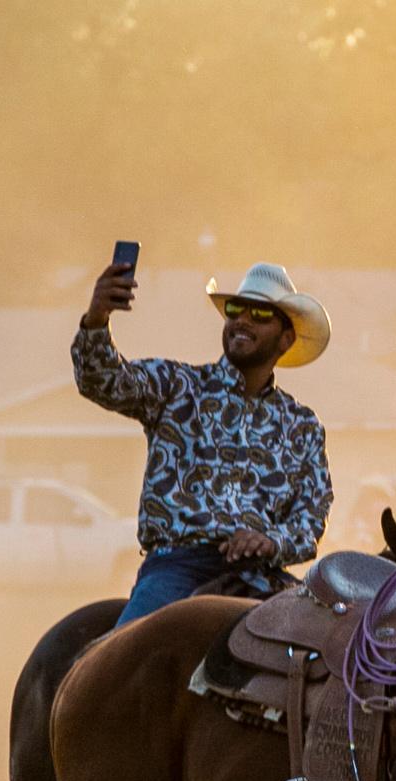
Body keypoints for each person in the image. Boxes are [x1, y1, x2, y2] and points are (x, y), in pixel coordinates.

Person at [72, 260, 333, 624]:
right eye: (235, 310)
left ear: (286, 339)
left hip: (263, 576)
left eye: (260, 313)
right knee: (124, 656)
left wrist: (273, 541)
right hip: (178, 568)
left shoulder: (302, 426)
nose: (243, 319)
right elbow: (101, 380)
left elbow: (311, 515)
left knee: (327, 653)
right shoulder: (177, 387)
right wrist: (98, 316)